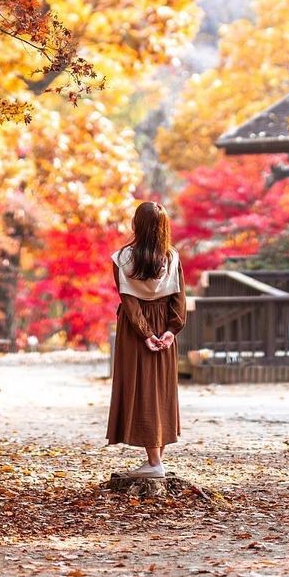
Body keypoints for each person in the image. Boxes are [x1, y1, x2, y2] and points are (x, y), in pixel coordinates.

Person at [106, 200, 186, 478]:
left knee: (142, 389)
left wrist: (146, 333)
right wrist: (170, 331)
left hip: (135, 330)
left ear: (136, 225)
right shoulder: (172, 257)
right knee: (160, 390)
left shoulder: (123, 258)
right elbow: (179, 297)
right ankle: (156, 461)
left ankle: (154, 464)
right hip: (164, 323)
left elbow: (129, 302)